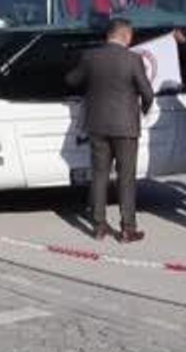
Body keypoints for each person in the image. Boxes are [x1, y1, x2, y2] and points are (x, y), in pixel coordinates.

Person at [65, 18, 154, 243]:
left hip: (97, 125)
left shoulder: (90, 57)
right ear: (124, 35)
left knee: (99, 175)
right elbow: (148, 93)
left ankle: (99, 225)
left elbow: (72, 80)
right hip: (126, 127)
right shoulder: (133, 59)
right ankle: (127, 228)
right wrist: (142, 110)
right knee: (126, 177)